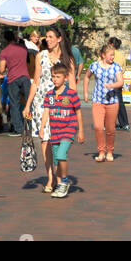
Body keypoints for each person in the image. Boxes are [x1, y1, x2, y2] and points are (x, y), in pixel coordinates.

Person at [24, 25, 76, 180]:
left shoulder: (67, 59)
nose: (47, 40)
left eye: (51, 37)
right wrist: (28, 104)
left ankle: (60, 174)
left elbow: (72, 86)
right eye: (46, 37)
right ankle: (50, 176)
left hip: (60, 103)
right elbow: (35, 82)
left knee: (58, 139)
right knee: (45, 139)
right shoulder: (41, 56)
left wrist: (72, 106)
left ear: (59, 39)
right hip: (42, 101)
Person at [42, 60, 83, 198]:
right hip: (55, 131)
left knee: (61, 155)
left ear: (65, 78)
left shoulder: (71, 94)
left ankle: (64, 182)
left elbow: (78, 112)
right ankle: (60, 185)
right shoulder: (49, 95)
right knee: (56, 162)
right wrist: (42, 128)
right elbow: (46, 112)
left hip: (68, 129)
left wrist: (81, 131)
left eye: (58, 76)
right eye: (53, 76)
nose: (55, 79)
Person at [83, 42, 124, 161]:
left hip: (112, 101)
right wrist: (85, 92)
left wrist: (112, 85)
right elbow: (86, 77)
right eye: (110, 55)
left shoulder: (116, 67)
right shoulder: (94, 65)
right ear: (103, 55)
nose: (112, 57)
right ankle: (101, 151)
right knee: (98, 127)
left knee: (110, 129)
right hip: (97, 100)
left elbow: (121, 82)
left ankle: (110, 150)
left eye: (113, 55)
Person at [0, 29, 31, 136]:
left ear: (5, 39)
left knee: (14, 104)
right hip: (25, 76)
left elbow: (2, 69)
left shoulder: (5, 52)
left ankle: (19, 129)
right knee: (29, 102)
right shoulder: (23, 48)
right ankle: (31, 125)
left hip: (13, 79)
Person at [110, 36, 131, 130]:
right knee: (120, 103)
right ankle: (124, 123)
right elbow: (124, 69)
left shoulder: (107, 53)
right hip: (118, 80)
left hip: (108, 80)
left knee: (107, 102)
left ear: (111, 44)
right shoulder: (121, 55)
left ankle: (109, 123)